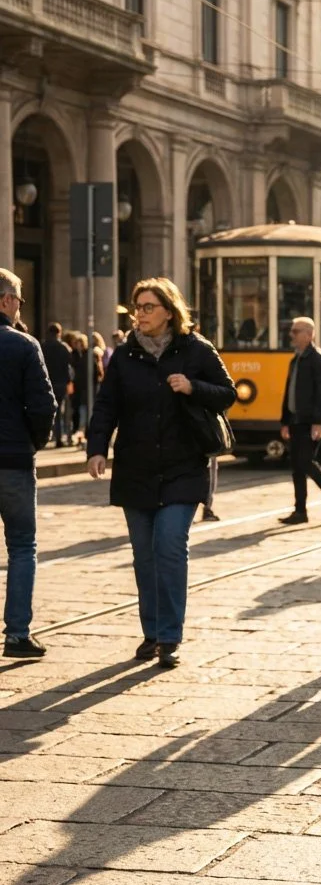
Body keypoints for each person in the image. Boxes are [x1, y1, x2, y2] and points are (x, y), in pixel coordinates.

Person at [87, 278, 236, 669]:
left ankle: (169, 636)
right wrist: (97, 448)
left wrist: (192, 386)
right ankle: (151, 632)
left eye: (148, 307)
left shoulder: (196, 350)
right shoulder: (125, 356)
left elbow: (228, 393)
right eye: (137, 307)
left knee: (169, 547)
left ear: (169, 311)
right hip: (136, 469)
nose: (140, 314)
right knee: (143, 556)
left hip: (183, 468)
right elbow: (107, 406)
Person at [0, 270, 57, 658]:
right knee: (22, 546)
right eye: (19, 300)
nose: (21, 307)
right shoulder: (24, 345)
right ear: (6, 301)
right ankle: (17, 635)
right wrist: (32, 443)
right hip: (13, 462)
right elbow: (44, 406)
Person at [279, 316, 321, 525]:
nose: (292, 335)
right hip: (296, 420)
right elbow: (289, 391)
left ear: (308, 334)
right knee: (297, 465)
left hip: (308, 421)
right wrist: (285, 420)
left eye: (296, 332)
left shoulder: (318, 359)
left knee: (305, 461)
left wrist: (318, 421)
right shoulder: (296, 359)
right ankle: (300, 511)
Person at [41, 322, 73, 447]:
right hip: (61, 383)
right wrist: (68, 381)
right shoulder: (63, 347)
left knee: (46, 411)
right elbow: (69, 366)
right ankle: (59, 438)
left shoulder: (43, 346)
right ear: (59, 333)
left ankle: (45, 437)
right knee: (60, 411)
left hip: (46, 383)